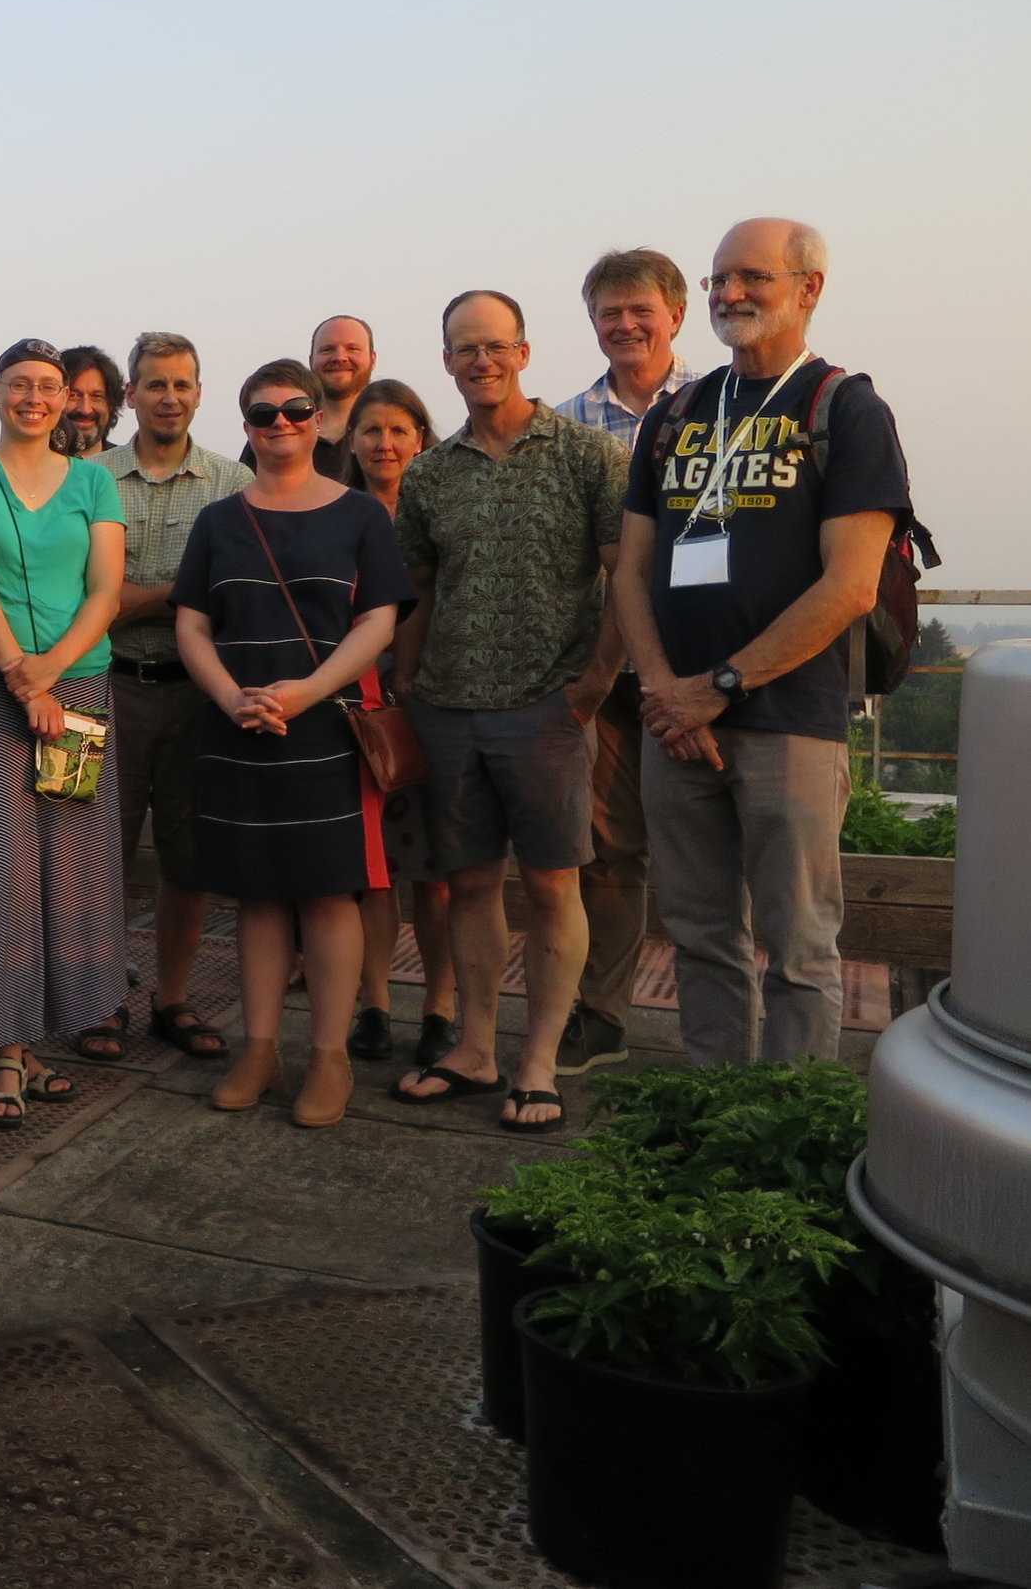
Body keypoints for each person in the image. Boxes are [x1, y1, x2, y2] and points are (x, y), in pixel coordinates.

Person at [614, 219, 912, 1065]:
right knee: (699, 936)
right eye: (716, 280)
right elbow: (631, 575)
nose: (728, 294)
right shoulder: (679, 411)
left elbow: (851, 584)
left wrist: (720, 685)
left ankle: (785, 1122)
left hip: (790, 719)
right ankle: (716, 1102)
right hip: (675, 723)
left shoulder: (845, 408)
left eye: (752, 277)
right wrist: (669, 692)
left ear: (808, 288)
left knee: (800, 948)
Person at [390, 291, 629, 1134]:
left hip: (548, 706)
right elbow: (416, 592)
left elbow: (624, 580)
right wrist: (407, 687)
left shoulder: (586, 454)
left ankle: (538, 1062)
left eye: (495, 345)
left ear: (524, 350)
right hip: (448, 706)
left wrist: (594, 685)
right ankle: (478, 1049)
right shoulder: (428, 472)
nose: (481, 361)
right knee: (469, 886)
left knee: (555, 883)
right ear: (447, 361)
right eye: (465, 349)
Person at [173, 361, 412, 1128]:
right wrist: (229, 694)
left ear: (316, 420)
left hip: (326, 727)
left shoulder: (360, 516)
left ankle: (330, 1056)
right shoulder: (219, 520)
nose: (279, 424)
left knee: (328, 892)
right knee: (258, 895)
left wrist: (306, 693)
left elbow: (379, 620)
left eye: (295, 410)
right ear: (244, 426)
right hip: (237, 725)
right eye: (263, 413)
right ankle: (262, 1048)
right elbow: (193, 623)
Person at [0, 339, 128, 1125]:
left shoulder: (94, 483)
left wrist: (51, 673)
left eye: (51, 387)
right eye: (20, 385)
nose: (37, 398)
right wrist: (20, 671)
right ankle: (0, 1050)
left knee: (65, 861)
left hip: (77, 688)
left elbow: (106, 590)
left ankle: (36, 1031)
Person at [554, 248, 699, 1075]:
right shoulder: (570, 422)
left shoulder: (723, 405)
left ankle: (725, 1033)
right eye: (609, 312)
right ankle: (603, 1013)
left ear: (675, 314)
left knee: (716, 847)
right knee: (607, 853)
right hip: (608, 676)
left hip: (705, 670)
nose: (625, 325)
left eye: (639, 309)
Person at [91, 332, 250, 1061]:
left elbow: (232, 601)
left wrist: (142, 598)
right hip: (107, 687)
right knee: (99, 853)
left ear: (198, 391)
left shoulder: (231, 483)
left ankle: (173, 997)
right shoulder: (90, 479)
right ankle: (100, 997)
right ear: (131, 394)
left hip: (197, 695)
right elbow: (93, 604)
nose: (170, 397)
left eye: (183, 384)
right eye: (155, 384)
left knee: (190, 857)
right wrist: (183, 596)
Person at [339, 380, 459, 1069]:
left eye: (398, 430)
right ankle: (375, 1003)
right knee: (372, 872)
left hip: (436, 704)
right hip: (359, 708)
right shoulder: (337, 513)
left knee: (440, 875)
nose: (385, 443)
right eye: (371, 430)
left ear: (421, 436)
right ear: (351, 440)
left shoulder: (442, 504)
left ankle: (440, 1006)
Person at [240, 317, 373, 478]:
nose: (339, 357)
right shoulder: (274, 433)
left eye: (352, 348)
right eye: (327, 349)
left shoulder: (386, 436)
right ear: (311, 360)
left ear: (372, 359)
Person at [55, 345, 123, 457]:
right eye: (73, 395)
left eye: (96, 396)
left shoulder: (128, 469)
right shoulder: (24, 469)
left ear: (111, 405)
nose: (85, 410)